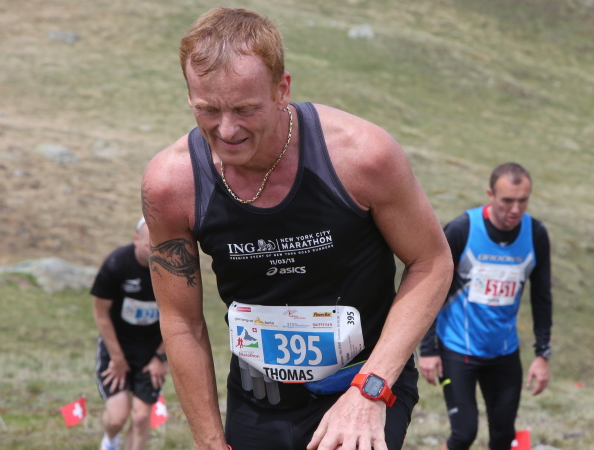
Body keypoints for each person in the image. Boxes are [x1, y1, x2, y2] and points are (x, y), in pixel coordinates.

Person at [141, 7, 453, 450]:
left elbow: (432, 262)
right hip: (258, 397)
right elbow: (182, 322)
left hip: (363, 382)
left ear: (282, 89)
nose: (226, 129)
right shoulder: (172, 184)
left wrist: (371, 388)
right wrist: (209, 442)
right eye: (207, 109)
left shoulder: (361, 156)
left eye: (246, 109)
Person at [418, 162, 553, 450]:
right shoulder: (462, 229)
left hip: (504, 353)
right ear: (490, 195)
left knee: (503, 437)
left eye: (523, 200)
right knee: (463, 434)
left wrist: (542, 354)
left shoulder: (535, 234)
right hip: (458, 350)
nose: (515, 209)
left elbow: (542, 297)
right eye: (507, 200)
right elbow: (431, 288)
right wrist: (428, 349)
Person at [92, 217, 168, 450]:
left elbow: (180, 318)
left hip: (152, 350)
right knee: (117, 418)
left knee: (141, 417)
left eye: (158, 246)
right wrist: (117, 358)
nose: (153, 251)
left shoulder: (171, 269)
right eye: (148, 246)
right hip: (118, 346)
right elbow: (101, 314)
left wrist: (160, 357)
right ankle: (111, 441)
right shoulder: (116, 264)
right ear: (136, 239)